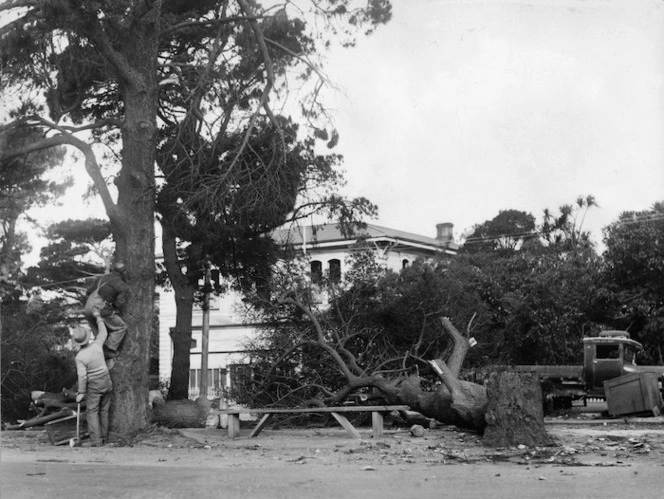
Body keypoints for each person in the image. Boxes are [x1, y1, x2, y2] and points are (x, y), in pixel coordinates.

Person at [73, 309, 113, 447]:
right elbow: (103, 333)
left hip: (94, 384)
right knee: (104, 410)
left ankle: (96, 441)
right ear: (87, 337)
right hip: (107, 380)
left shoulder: (80, 357)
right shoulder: (97, 345)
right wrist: (98, 317)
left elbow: (82, 376)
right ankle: (104, 437)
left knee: (92, 411)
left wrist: (81, 392)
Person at [84, 262, 129, 367]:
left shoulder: (101, 278)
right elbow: (119, 303)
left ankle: (97, 358)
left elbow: (88, 292)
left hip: (87, 309)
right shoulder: (122, 285)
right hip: (99, 309)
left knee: (101, 334)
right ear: (124, 273)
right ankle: (108, 351)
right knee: (120, 327)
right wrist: (113, 308)